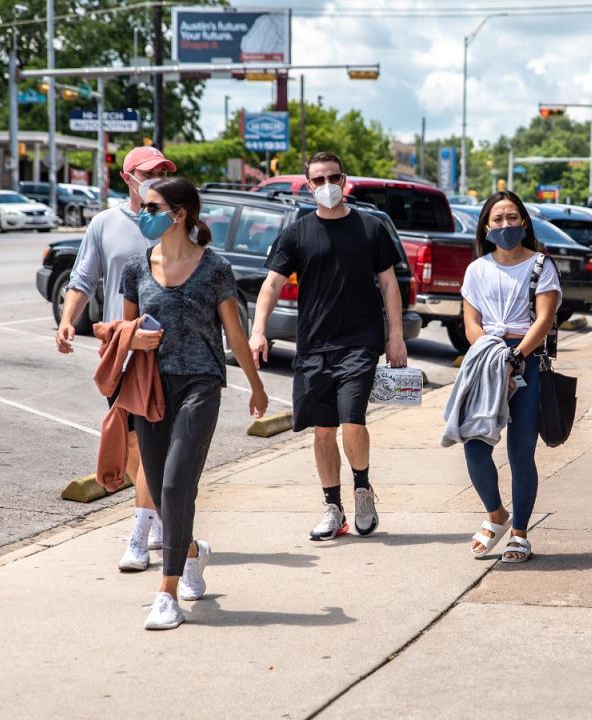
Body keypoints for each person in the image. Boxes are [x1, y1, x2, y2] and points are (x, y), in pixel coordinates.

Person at [120, 177, 268, 630]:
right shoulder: (135, 267)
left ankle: (166, 595)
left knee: (173, 484)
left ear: (179, 214)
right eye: (144, 206)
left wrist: (256, 386)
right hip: (150, 388)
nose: (143, 213)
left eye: (152, 206)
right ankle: (191, 553)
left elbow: (235, 335)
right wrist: (134, 337)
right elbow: (122, 332)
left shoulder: (214, 268)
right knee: (166, 488)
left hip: (201, 384)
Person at [250, 151, 407, 541]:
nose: (326, 186)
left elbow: (389, 284)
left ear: (344, 179)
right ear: (308, 186)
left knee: (353, 420)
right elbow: (270, 284)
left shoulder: (370, 228)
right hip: (314, 346)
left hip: (360, 343)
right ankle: (333, 508)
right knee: (323, 430)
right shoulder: (297, 232)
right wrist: (258, 331)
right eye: (317, 180)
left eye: (332, 178)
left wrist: (396, 335)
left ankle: (362, 489)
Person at [55, 145, 176, 571]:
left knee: (154, 442)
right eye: (150, 171)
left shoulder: (175, 220)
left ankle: (144, 530)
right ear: (128, 178)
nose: (158, 175)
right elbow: (83, 277)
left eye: (164, 170)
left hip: (169, 352)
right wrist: (68, 319)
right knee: (129, 444)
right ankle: (158, 515)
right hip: (122, 352)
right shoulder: (105, 223)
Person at [455, 191, 560, 563]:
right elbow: (471, 322)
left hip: (525, 362)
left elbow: (544, 320)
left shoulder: (541, 265)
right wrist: (490, 352)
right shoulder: (477, 269)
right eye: (497, 220)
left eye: (512, 218)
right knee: (474, 443)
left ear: (524, 223)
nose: (505, 225)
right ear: (486, 228)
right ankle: (497, 515)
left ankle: (520, 533)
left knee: (520, 452)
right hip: (486, 362)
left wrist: (516, 356)